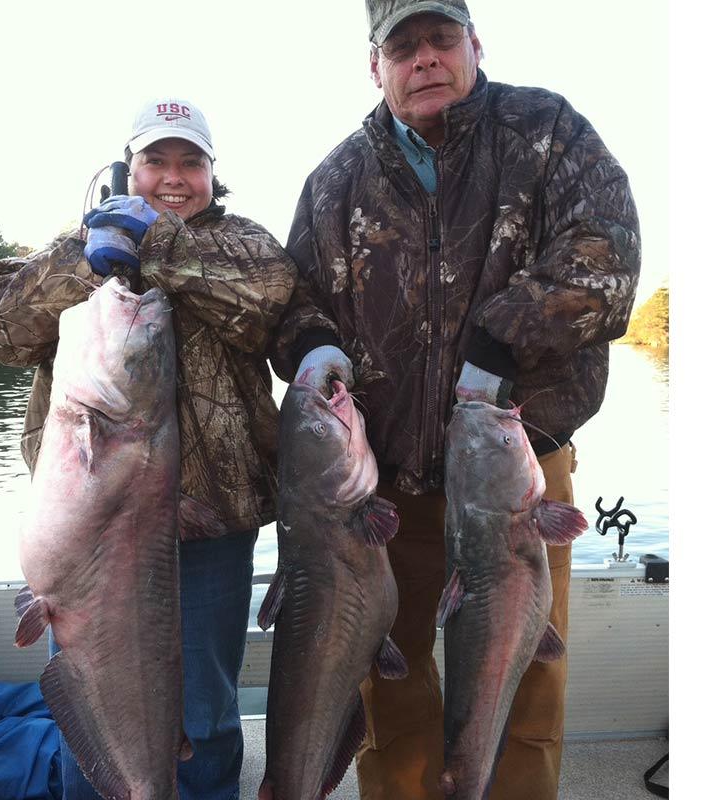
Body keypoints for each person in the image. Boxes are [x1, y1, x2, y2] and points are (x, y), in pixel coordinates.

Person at [271, 2, 641, 799]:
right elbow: (294, 301)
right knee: (390, 680)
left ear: (474, 44)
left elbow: (608, 255)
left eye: (441, 39)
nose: (425, 59)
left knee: (524, 680)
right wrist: (312, 344)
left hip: (519, 470)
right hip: (386, 488)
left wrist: (500, 342)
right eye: (403, 46)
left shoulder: (546, 132)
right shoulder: (335, 181)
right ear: (375, 66)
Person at [0, 97, 298, 800]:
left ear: (212, 173)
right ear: (129, 168)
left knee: (206, 714)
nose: (173, 177)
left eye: (190, 162)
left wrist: (158, 245)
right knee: (91, 712)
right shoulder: (81, 246)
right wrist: (89, 253)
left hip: (212, 529)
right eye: (156, 160)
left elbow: (270, 302)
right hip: (92, 536)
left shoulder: (244, 244)